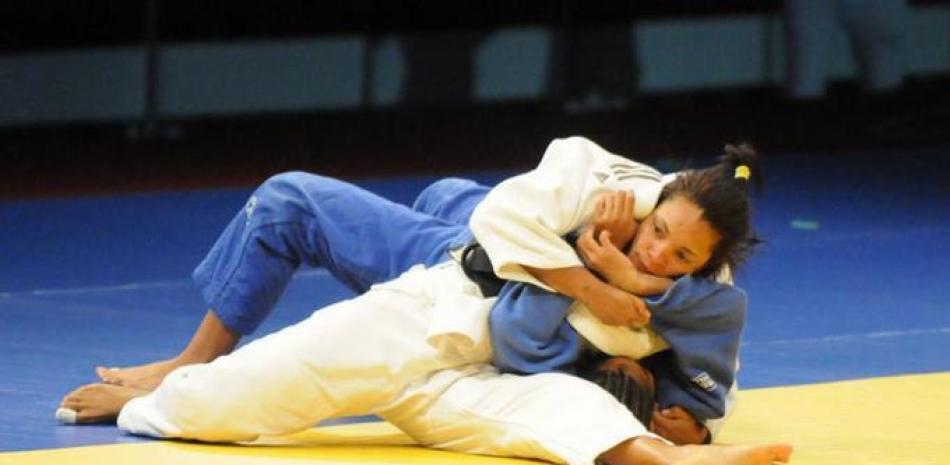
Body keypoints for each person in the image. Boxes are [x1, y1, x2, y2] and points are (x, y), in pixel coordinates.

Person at [62, 137, 762, 447]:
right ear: (656, 195)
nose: (659, 253)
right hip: (466, 256)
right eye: (659, 232)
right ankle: (193, 360)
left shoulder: (705, 289)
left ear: (708, 263)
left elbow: (709, 378)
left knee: (447, 197)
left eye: (681, 255)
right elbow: (501, 222)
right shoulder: (600, 181)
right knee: (291, 200)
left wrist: (695, 422)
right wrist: (591, 279)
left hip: (494, 304)